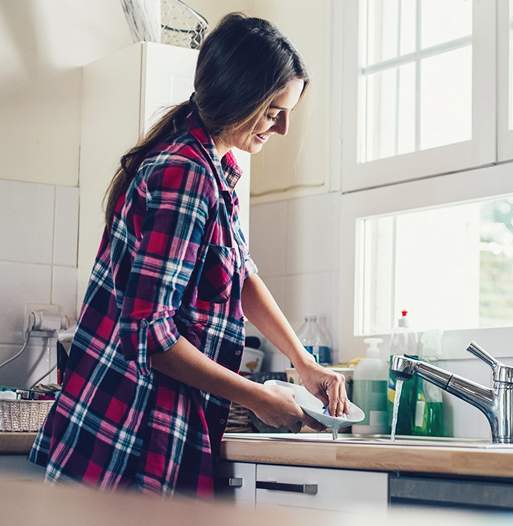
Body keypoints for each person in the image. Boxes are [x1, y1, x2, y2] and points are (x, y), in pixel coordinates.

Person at [29, 13, 347, 497]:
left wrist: (303, 361)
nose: (281, 128)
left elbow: (239, 277)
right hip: (125, 438)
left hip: (149, 431)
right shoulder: (184, 174)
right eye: (272, 110)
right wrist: (258, 397)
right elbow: (153, 338)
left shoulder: (216, 171)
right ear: (239, 95)